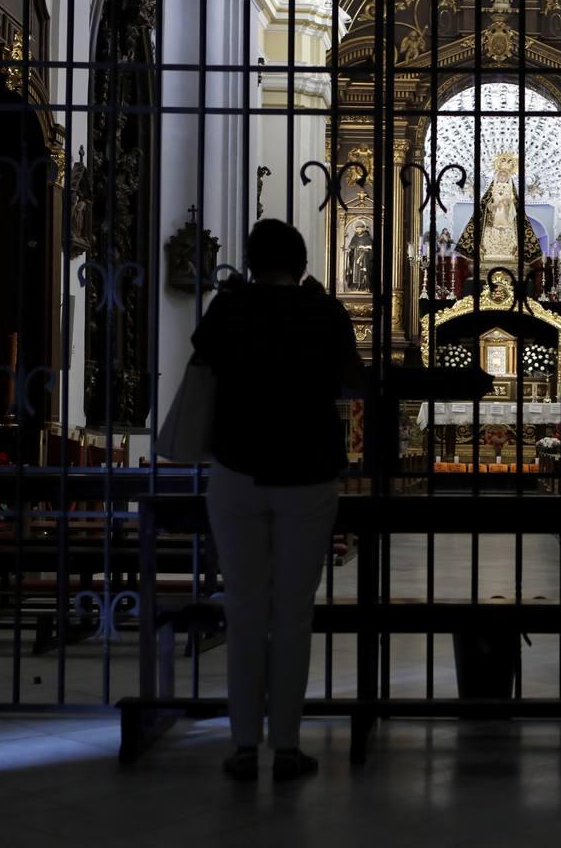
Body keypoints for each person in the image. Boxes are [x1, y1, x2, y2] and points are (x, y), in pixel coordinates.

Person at [193, 219, 364, 782]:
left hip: (238, 468)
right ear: (304, 261)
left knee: (243, 609)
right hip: (307, 473)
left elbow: (204, 364)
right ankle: (286, 747)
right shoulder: (324, 311)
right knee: (293, 612)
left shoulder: (230, 308)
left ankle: (245, 746)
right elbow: (352, 379)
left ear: (248, 260)